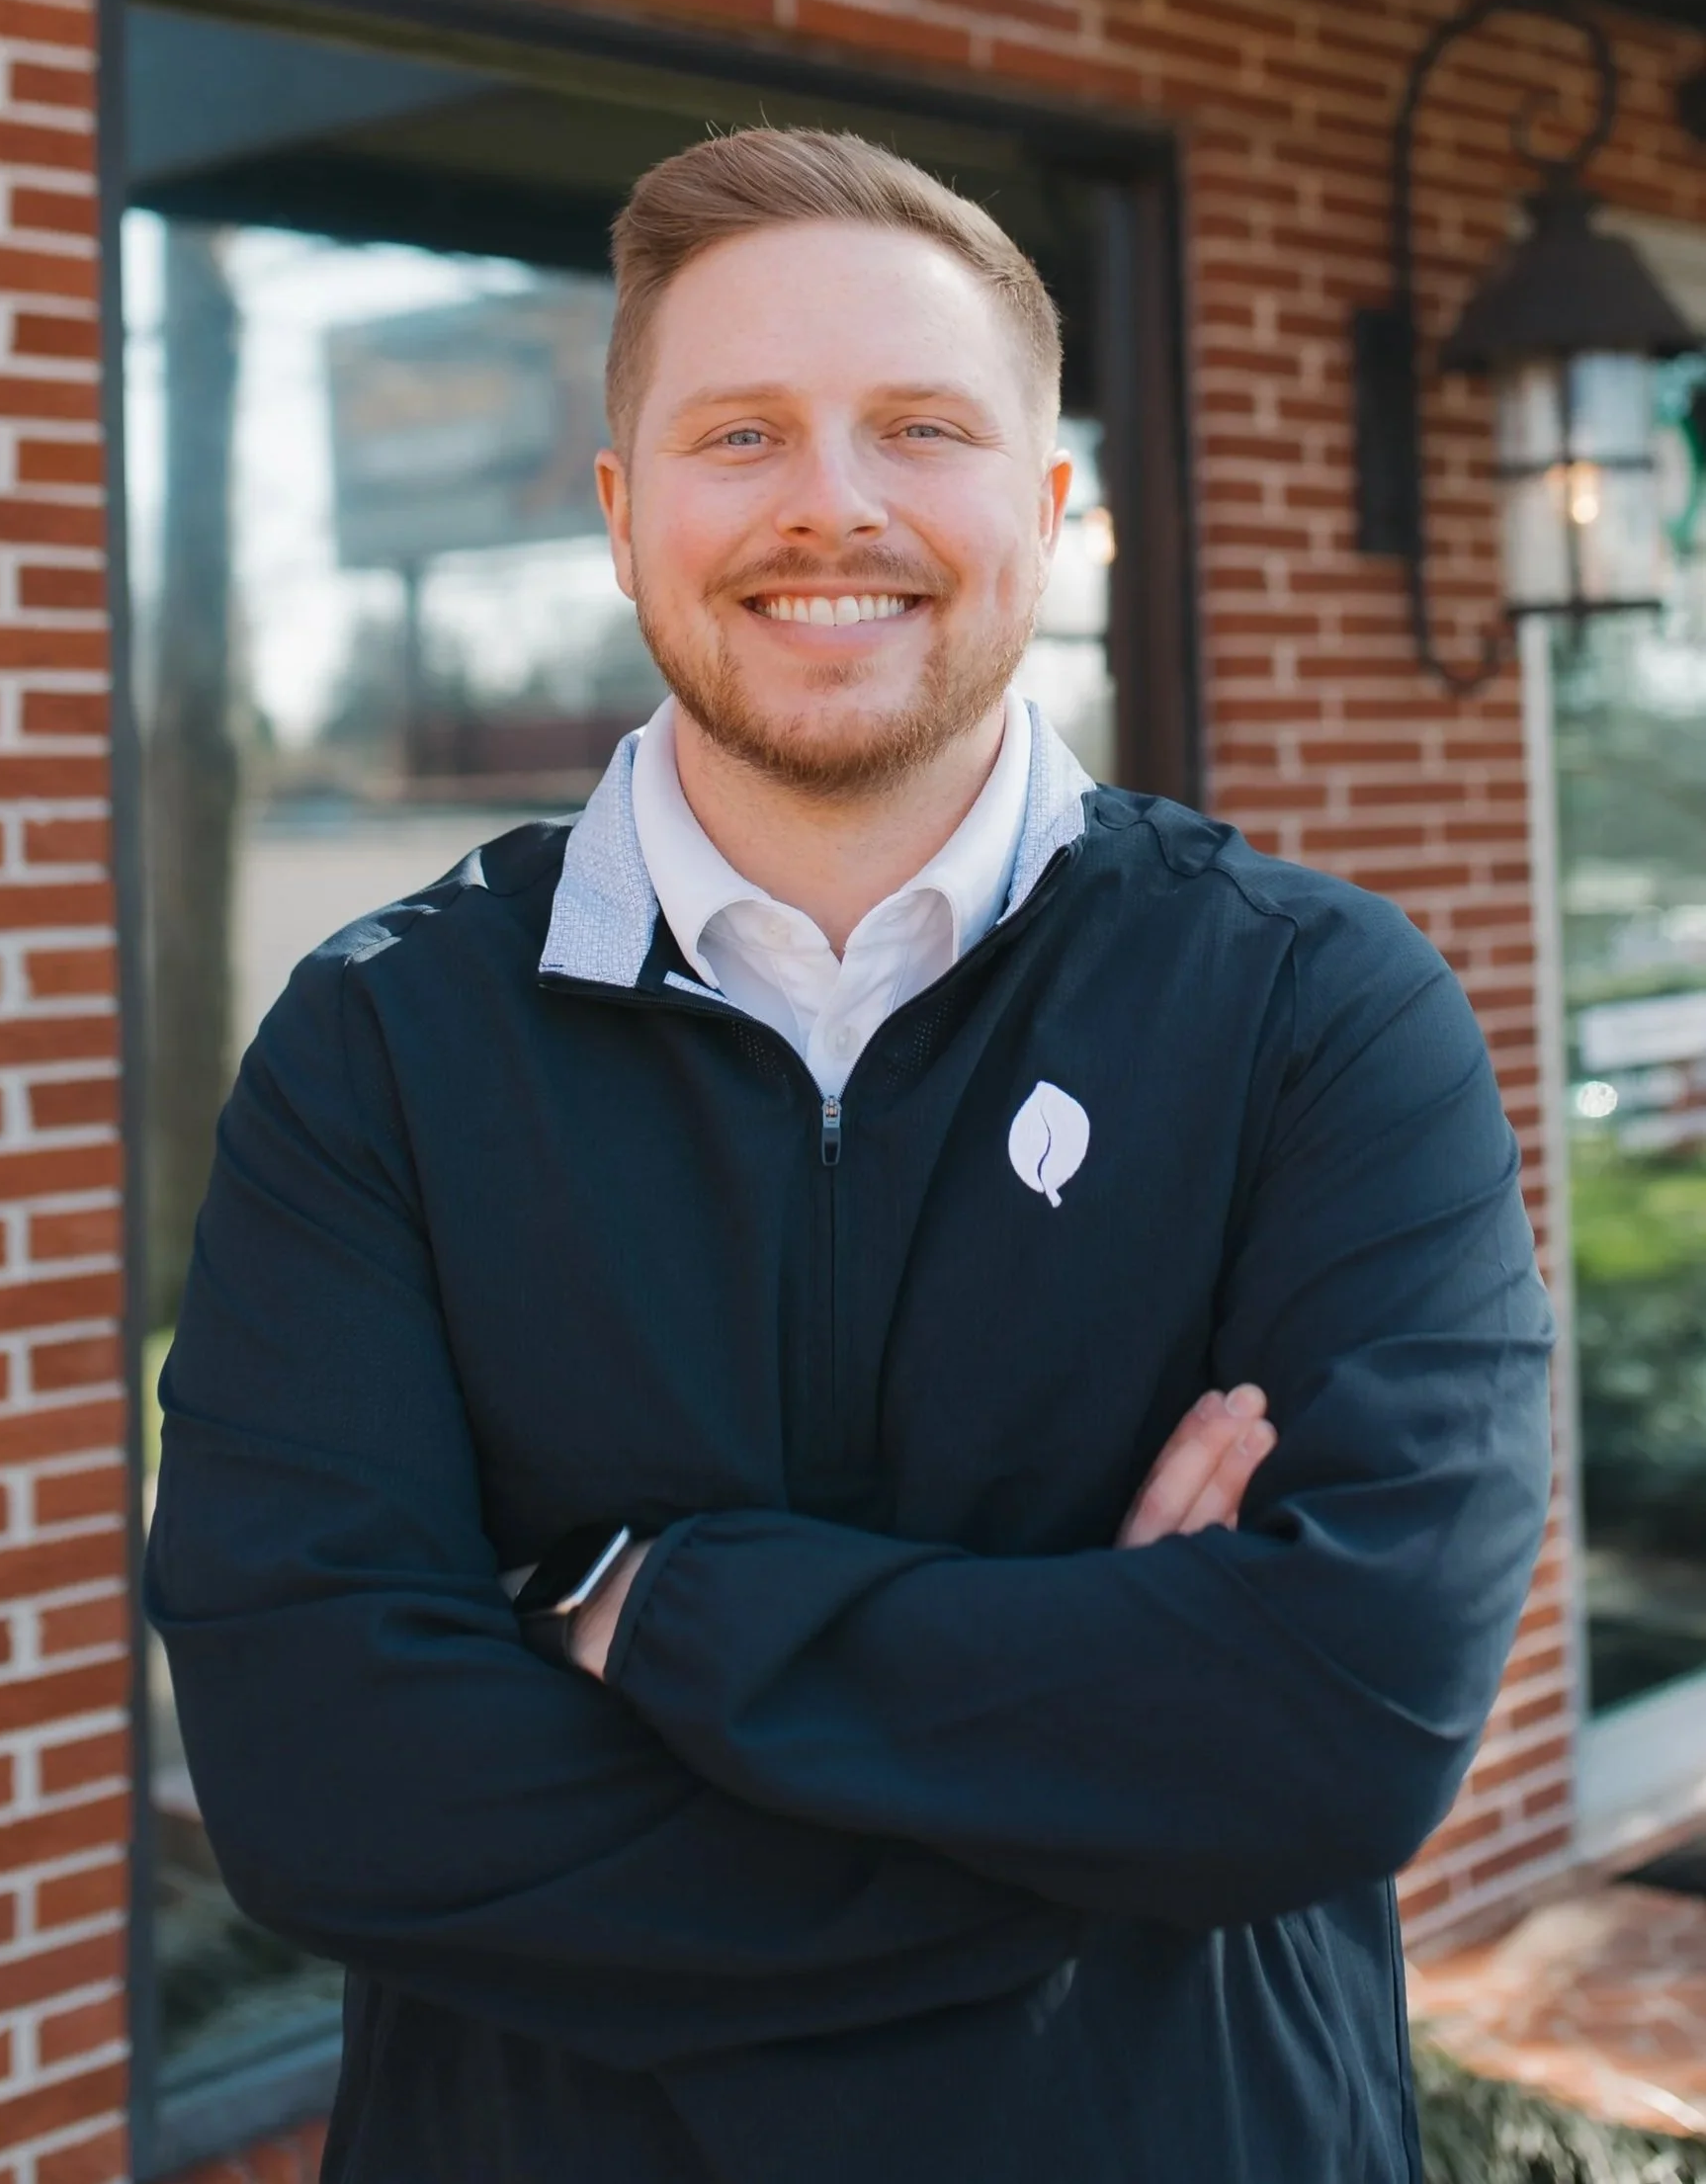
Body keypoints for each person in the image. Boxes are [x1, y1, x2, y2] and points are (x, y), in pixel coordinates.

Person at [146, 128, 1554, 2184]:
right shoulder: (381, 1050)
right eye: (743, 435)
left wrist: (667, 1616)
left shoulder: (1313, 1014)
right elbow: (327, 1782)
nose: (836, 502)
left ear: (1050, 510)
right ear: (623, 520)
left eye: (922, 428)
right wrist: (1102, 1763)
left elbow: (1343, 1722)